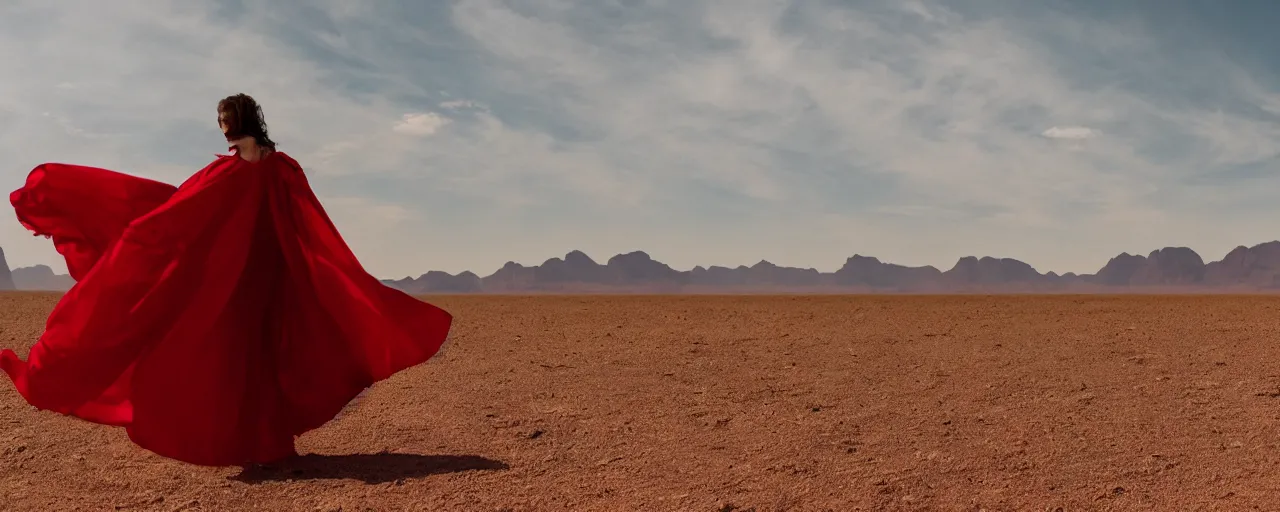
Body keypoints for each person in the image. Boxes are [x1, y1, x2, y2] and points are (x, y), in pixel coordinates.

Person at [0, 94, 453, 466]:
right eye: (219, 121)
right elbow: (184, 213)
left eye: (224, 119)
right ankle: (264, 446)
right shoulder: (260, 166)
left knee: (252, 353)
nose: (221, 128)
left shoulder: (253, 168)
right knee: (247, 355)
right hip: (249, 279)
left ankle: (263, 445)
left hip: (254, 278)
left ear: (240, 119)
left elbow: (292, 219)